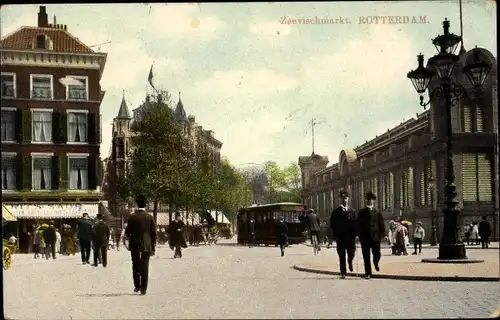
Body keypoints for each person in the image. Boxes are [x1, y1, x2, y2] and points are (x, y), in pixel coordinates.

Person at [125, 195, 156, 295]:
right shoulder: (150, 217)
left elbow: (127, 232)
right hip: (147, 244)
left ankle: (137, 286)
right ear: (146, 205)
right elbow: (153, 233)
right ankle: (144, 288)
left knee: (135, 264)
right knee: (145, 266)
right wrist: (153, 247)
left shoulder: (132, 217)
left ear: (137, 204)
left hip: (134, 244)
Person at [356, 192, 386, 279]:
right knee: (366, 256)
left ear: (374, 201)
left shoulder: (377, 212)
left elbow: (381, 224)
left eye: (371, 199)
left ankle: (376, 262)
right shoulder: (362, 212)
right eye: (368, 199)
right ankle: (368, 273)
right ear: (366, 201)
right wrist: (357, 235)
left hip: (375, 236)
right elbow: (358, 224)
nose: (369, 201)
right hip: (364, 237)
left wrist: (384, 234)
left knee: (377, 253)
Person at [330, 190, 357, 279]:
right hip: (341, 237)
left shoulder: (352, 211)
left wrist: (357, 235)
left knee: (352, 253)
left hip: (350, 237)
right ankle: (343, 272)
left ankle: (350, 261)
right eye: (343, 198)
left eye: (346, 198)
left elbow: (356, 223)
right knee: (341, 256)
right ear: (340, 199)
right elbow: (332, 225)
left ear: (348, 199)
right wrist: (335, 236)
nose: (344, 200)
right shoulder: (336, 212)